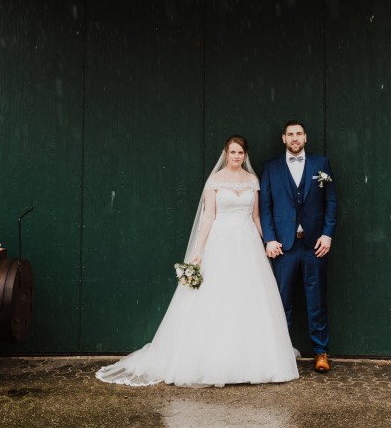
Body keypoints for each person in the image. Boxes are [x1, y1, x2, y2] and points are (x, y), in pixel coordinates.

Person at [96, 135, 298, 387]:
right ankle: (213, 360)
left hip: (248, 244)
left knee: (249, 296)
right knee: (216, 297)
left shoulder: (252, 180)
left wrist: (267, 240)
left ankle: (252, 360)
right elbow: (208, 217)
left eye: (240, 153)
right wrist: (198, 251)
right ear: (226, 153)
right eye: (232, 152)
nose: (236, 156)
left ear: (245, 155)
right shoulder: (215, 180)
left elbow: (256, 216)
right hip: (220, 242)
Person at [260, 121, 337, 373]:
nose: (295, 138)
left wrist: (327, 235)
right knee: (282, 302)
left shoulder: (321, 164)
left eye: (299, 134)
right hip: (284, 246)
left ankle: (320, 352)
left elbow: (331, 202)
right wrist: (270, 239)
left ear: (305, 137)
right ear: (283, 138)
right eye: (290, 134)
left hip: (314, 245)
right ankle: (279, 354)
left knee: (317, 300)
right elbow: (265, 206)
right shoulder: (271, 167)